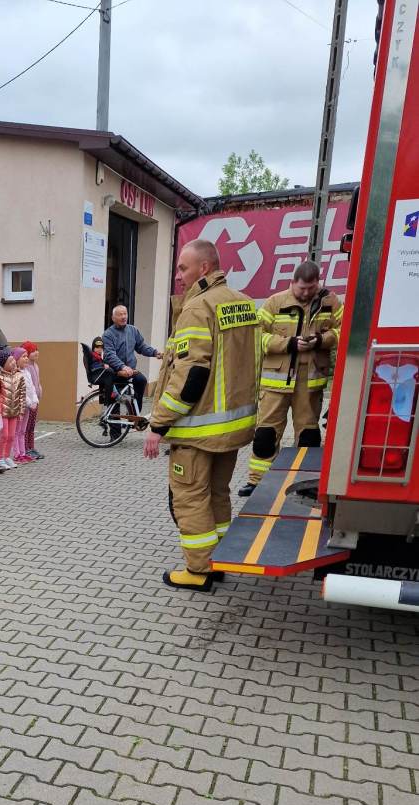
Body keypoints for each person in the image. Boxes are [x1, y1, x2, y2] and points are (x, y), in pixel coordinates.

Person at [143, 238, 259, 591]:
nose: (179, 276)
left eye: (183, 268)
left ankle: (198, 571)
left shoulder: (197, 307)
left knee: (191, 497)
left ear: (204, 267)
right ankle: (218, 560)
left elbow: (190, 375)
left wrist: (158, 423)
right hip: (231, 427)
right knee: (218, 494)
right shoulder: (242, 303)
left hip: (197, 430)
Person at [240, 260, 344, 496]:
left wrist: (321, 340)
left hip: (309, 383)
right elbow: (256, 335)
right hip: (275, 383)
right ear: (292, 283)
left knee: (308, 435)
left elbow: (346, 329)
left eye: (311, 288)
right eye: (302, 289)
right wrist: (288, 344)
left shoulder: (330, 302)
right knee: (266, 434)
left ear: (318, 283)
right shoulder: (275, 302)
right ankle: (257, 482)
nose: (306, 293)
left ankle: (304, 483)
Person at [102, 305, 162, 414]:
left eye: (125, 314)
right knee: (115, 399)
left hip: (130, 370)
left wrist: (155, 353)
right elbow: (109, 355)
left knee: (141, 380)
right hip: (115, 371)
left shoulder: (133, 330)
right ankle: (114, 423)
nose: (123, 317)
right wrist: (122, 366)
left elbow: (141, 347)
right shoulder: (108, 334)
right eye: (120, 314)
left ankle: (134, 414)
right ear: (113, 318)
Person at [0, 349, 27, 469]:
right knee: (5, 435)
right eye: (10, 361)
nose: (13, 362)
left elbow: (22, 394)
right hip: (4, 412)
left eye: (13, 360)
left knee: (12, 436)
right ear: (3, 364)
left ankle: (7, 456)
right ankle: (0, 458)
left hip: (14, 411)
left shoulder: (19, 376)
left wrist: (21, 411)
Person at [21, 341, 45, 461]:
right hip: (29, 402)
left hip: (35, 400)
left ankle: (31, 447)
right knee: (26, 426)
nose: (36, 352)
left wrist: (39, 391)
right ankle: (25, 448)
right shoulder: (27, 368)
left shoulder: (36, 366)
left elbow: (37, 382)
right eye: (32, 351)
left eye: (36, 350)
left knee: (32, 426)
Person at [14, 346, 36, 464]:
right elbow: (21, 391)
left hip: (28, 406)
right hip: (20, 407)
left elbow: (32, 388)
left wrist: (34, 401)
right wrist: (29, 402)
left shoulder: (27, 372)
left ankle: (23, 453)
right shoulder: (17, 374)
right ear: (16, 359)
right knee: (17, 431)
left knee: (23, 430)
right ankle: (17, 454)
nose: (26, 359)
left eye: (27, 356)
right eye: (23, 357)